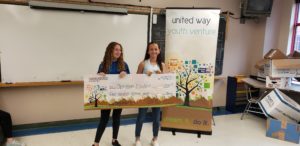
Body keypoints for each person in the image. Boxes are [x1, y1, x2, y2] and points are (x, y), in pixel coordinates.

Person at [93, 42, 130, 146]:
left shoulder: (124, 64)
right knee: (104, 119)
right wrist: (99, 75)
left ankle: (114, 140)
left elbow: (130, 81)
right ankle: (96, 143)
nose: (119, 52)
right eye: (116, 49)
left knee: (117, 117)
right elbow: (97, 81)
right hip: (107, 97)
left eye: (120, 50)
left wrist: (125, 74)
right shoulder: (103, 64)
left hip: (119, 96)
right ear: (110, 51)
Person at [135, 42, 166, 146]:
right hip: (144, 95)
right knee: (141, 118)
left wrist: (161, 76)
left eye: (155, 49)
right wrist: (145, 77)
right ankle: (137, 139)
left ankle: (155, 138)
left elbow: (166, 82)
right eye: (151, 49)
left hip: (157, 95)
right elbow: (136, 80)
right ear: (148, 51)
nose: (154, 51)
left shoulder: (162, 65)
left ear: (159, 50)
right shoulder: (143, 64)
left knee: (156, 119)